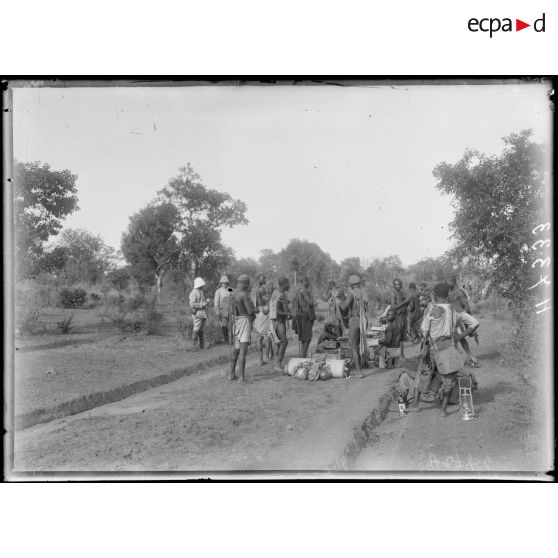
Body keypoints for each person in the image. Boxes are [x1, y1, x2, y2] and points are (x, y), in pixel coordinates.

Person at [408, 282, 479, 417]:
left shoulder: (430, 309)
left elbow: (424, 331)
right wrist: (459, 337)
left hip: (432, 348)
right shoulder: (455, 309)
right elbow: (474, 323)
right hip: (449, 347)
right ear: (448, 295)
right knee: (448, 382)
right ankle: (443, 410)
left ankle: (415, 405)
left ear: (435, 294)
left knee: (422, 375)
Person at [337, 274, 368, 377]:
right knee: (359, 345)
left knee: (353, 346)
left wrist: (338, 301)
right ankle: (358, 364)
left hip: (354, 320)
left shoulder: (352, 293)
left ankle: (358, 371)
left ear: (351, 284)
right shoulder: (363, 292)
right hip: (363, 320)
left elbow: (344, 307)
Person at [227, 274, 256, 382]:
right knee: (243, 352)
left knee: (236, 350)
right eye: (248, 284)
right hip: (244, 322)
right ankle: (242, 377)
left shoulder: (232, 294)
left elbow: (230, 311)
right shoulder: (244, 295)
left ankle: (231, 375)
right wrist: (255, 311)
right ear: (244, 283)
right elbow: (249, 311)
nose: (248, 286)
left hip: (235, 323)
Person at [448, 274, 480, 366]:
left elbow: (467, 306)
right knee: (455, 338)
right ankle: (462, 357)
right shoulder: (450, 292)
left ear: (452, 281)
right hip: (452, 318)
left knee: (459, 338)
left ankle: (470, 356)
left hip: (458, 319)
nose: (447, 284)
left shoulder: (460, 292)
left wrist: (461, 318)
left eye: (448, 282)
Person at [252, 272, 272, 365]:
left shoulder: (253, 290)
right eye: (263, 278)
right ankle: (266, 357)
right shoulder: (261, 290)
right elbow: (267, 300)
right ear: (260, 280)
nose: (265, 279)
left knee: (259, 337)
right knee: (268, 335)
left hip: (256, 314)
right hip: (263, 312)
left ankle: (260, 360)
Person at [272, 277, 291, 373]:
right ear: (284, 285)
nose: (289, 285)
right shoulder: (280, 295)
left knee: (279, 342)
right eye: (288, 283)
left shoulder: (275, 292)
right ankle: (277, 364)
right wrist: (289, 314)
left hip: (274, 321)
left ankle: (277, 362)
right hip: (279, 322)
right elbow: (277, 311)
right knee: (284, 342)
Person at [293, 276, 316, 358]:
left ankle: (303, 356)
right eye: (306, 281)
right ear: (303, 282)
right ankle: (303, 356)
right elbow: (310, 302)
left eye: (308, 281)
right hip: (305, 316)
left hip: (302, 316)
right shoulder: (304, 291)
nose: (308, 282)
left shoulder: (299, 291)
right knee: (307, 338)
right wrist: (314, 301)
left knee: (304, 338)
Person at [390, 278, 411, 360]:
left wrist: (408, 300)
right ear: (394, 285)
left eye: (399, 284)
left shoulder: (402, 292)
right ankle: (400, 355)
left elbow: (407, 301)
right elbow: (393, 307)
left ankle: (401, 355)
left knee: (402, 337)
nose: (398, 286)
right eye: (396, 284)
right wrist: (405, 302)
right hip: (398, 317)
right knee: (399, 337)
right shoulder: (393, 292)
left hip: (403, 316)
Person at [189, 277, 209, 349]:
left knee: (201, 329)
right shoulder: (193, 293)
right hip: (197, 314)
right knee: (196, 328)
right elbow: (192, 304)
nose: (203, 286)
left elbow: (201, 301)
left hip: (202, 313)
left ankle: (201, 345)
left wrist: (206, 302)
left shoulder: (200, 291)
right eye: (201, 285)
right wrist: (201, 305)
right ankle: (193, 346)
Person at [214, 275, 232, 343]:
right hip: (222, 310)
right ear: (221, 283)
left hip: (230, 310)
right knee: (224, 325)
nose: (224, 284)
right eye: (223, 282)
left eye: (225, 282)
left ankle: (231, 339)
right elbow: (216, 302)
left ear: (227, 283)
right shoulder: (218, 291)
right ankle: (226, 339)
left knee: (231, 325)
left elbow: (234, 297)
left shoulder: (230, 289)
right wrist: (217, 311)